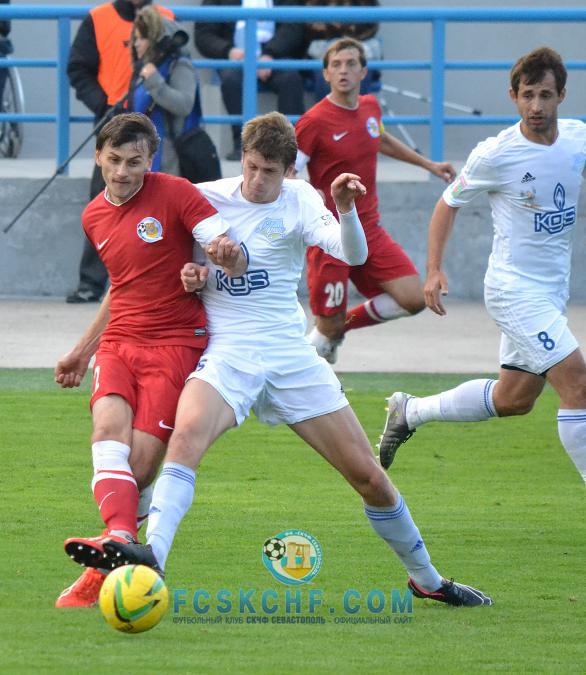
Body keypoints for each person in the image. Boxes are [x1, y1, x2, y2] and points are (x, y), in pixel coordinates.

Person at [96, 111, 492, 608]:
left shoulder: (302, 199)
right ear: (242, 159)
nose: (257, 180)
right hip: (228, 351)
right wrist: (190, 275)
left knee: (369, 477)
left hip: (289, 355)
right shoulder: (204, 197)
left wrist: (346, 209)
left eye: (270, 171)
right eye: (251, 166)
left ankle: (427, 579)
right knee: (186, 439)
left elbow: (352, 255)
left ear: (290, 170)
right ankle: (152, 559)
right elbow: (156, 257)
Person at [54, 112, 246, 608]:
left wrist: (214, 262)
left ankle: (108, 558)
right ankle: (120, 539)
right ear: (98, 157)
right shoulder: (93, 215)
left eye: (134, 162)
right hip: (120, 340)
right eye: (114, 159)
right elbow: (121, 287)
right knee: (106, 433)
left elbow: (226, 247)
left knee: (139, 468)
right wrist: (82, 350)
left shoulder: (176, 193)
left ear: (150, 161)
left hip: (176, 343)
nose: (122, 171)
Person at [378, 46, 586, 484]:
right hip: (514, 290)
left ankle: (410, 411)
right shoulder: (497, 154)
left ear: (562, 96)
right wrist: (434, 269)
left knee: (514, 399)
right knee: (577, 384)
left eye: (545, 95)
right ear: (513, 96)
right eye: (527, 95)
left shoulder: (577, 139)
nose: (535, 106)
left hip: (551, 291)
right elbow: (447, 203)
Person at [295, 38, 456, 364]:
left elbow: (379, 138)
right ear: (325, 74)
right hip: (330, 235)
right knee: (326, 329)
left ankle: (335, 330)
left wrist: (429, 165)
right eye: (336, 65)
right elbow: (288, 172)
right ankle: (318, 345)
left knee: (414, 298)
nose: (343, 70)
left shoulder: (370, 107)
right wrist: (306, 204)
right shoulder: (313, 122)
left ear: (363, 71)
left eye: (351, 64)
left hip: (369, 229)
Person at [65, 0, 174, 304]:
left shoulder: (167, 17)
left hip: (158, 124)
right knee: (103, 203)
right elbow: (78, 68)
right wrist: (101, 103)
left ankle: (156, 284)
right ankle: (91, 282)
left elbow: (180, 66)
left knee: (161, 205)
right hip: (112, 121)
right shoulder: (98, 18)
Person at [194, 0, 306, 161]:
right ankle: (243, 146)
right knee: (230, 79)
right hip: (235, 57)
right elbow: (204, 33)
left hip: (275, 56)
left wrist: (270, 53)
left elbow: (294, 26)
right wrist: (228, 51)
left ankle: (290, 148)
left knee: (291, 79)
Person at [129, 7, 196, 176]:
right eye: (135, 38)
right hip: (143, 153)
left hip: (170, 161)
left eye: (142, 38)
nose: (136, 43)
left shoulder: (179, 65)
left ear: (156, 40)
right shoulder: (144, 70)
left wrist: (154, 81)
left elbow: (184, 105)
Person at [303, 0, 381, 101]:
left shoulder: (366, 3)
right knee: (326, 74)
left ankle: (353, 110)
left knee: (359, 72)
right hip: (323, 51)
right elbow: (310, 26)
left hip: (359, 47)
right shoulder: (315, 3)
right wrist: (334, 27)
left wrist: (343, 28)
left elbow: (370, 25)